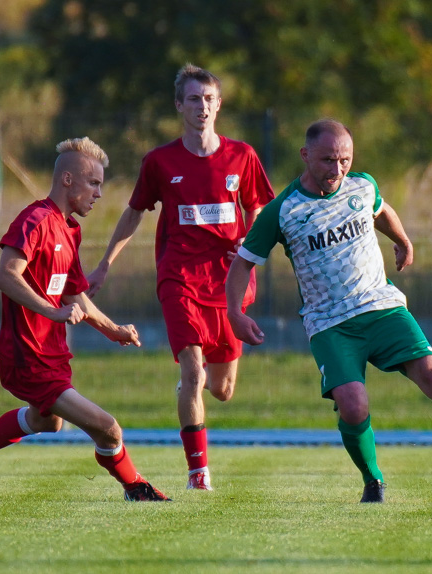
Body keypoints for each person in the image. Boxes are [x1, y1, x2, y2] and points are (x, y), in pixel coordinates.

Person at [225, 119, 432, 503]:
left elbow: (381, 210)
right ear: (305, 156)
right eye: (327, 160)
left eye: (344, 160)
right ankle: (373, 480)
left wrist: (401, 240)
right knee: (353, 406)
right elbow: (243, 263)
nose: (337, 170)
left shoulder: (362, 185)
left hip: (382, 306)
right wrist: (235, 312)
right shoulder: (281, 210)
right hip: (330, 323)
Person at [0, 137, 169, 502]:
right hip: (27, 356)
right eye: (93, 182)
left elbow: (73, 294)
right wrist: (51, 311)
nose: (99, 193)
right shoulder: (35, 220)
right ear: (68, 180)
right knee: (108, 429)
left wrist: (113, 330)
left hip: (50, 353)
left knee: (48, 421)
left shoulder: (69, 229)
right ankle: (136, 488)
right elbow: (7, 275)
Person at [86, 64, 275, 490]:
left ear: (219, 105)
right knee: (194, 370)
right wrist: (104, 265)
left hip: (228, 280)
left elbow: (259, 207)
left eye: (209, 99)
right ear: (179, 106)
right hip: (180, 277)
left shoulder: (242, 156)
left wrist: (249, 239)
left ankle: (196, 387)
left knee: (222, 389)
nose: (202, 107)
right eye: (193, 99)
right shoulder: (160, 161)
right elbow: (134, 212)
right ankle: (198, 473)